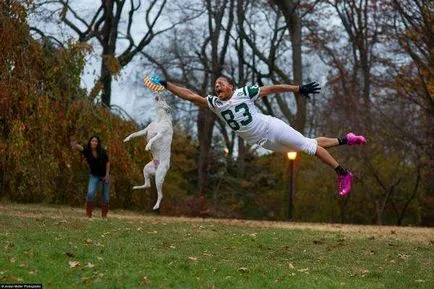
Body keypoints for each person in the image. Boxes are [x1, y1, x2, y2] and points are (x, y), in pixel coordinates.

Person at [147, 75, 367, 197]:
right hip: (264, 143)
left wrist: (297, 88)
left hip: (272, 128)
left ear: (231, 86)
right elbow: (190, 96)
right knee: (307, 144)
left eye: (221, 83)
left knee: (309, 148)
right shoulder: (215, 103)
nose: (217, 86)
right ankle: (346, 139)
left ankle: (343, 173)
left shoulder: (243, 93)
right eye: (215, 85)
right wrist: (166, 84)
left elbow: (271, 89)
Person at [70, 135, 111, 218]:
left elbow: (108, 162)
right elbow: (80, 148)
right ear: (90, 142)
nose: (94, 143)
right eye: (92, 141)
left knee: (105, 197)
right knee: (90, 193)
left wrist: (107, 175)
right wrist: (74, 144)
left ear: (98, 143)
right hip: (94, 175)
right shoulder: (87, 151)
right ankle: (89, 214)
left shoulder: (102, 151)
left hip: (105, 175)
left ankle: (104, 216)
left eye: (96, 141)